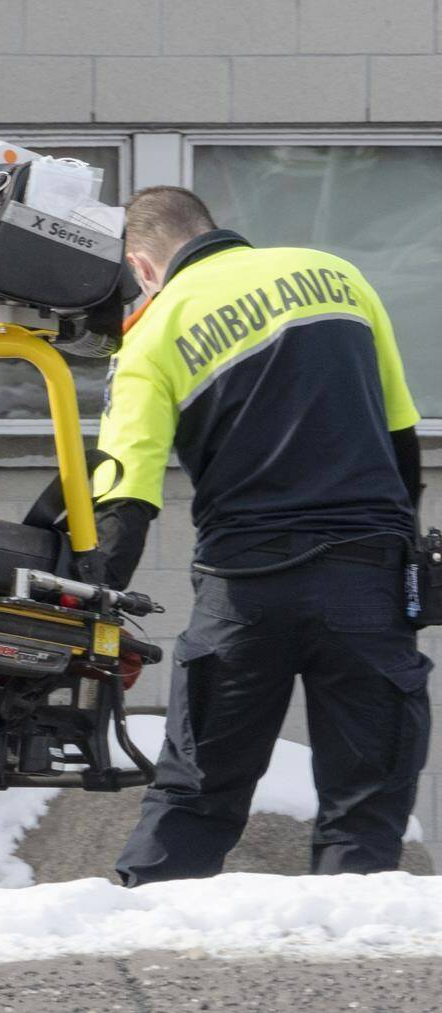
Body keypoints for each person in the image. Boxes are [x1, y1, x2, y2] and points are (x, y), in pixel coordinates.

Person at [92, 185, 431, 885]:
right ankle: (354, 980)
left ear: (143, 266)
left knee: (195, 798)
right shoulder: (337, 276)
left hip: (245, 592)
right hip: (367, 577)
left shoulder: (152, 332)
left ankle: (142, 950)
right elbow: (403, 438)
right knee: (366, 813)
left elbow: (126, 496)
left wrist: (89, 600)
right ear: (211, 228)